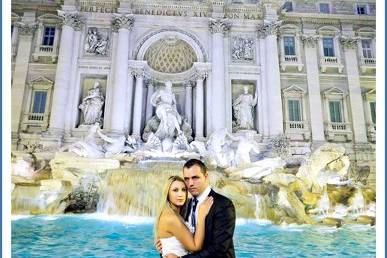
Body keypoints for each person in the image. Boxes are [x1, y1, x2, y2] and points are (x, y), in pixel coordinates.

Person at [156, 159, 236, 258]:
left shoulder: (223, 204)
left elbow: (219, 248)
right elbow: (180, 242)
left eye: (195, 178)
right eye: (186, 179)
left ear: (206, 177)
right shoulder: (185, 205)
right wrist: (166, 246)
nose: (190, 184)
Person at [155, 176, 214, 258]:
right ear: (167, 193)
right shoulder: (171, 218)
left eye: (184, 190)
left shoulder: (174, 213)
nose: (180, 194)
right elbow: (195, 247)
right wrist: (201, 216)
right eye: (175, 190)